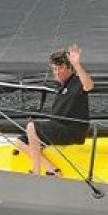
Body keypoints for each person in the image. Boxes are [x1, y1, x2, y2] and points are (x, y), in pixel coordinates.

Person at [15, 44, 94, 176]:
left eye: (61, 68)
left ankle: (35, 172)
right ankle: (51, 168)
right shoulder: (61, 89)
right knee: (20, 141)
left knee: (31, 127)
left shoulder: (76, 81)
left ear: (70, 68)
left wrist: (77, 64)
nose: (57, 72)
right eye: (54, 69)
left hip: (72, 130)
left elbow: (89, 86)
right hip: (59, 128)